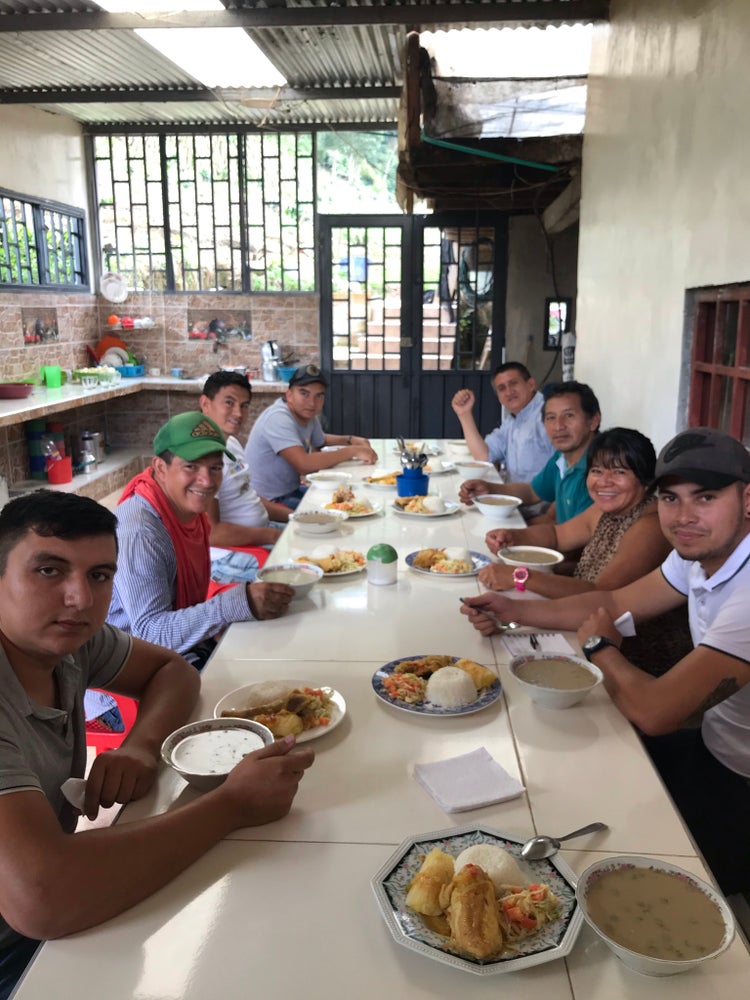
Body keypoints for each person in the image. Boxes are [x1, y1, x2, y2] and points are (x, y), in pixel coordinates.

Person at [0, 491, 313, 999]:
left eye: (100, 575)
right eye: (49, 571)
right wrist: (232, 805)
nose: (80, 598)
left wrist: (141, 746)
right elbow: (42, 897)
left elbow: (173, 670)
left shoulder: (68, 642)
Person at [461, 427, 750, 897]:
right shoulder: (697, 555)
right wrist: (516, 609)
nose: (684, 516)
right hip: (711, 744)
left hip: (738, 779)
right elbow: (614, 601)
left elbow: (655, 713)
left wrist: (601, 649)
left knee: (634, 881)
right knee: (573, 796)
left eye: (706, 497)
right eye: (672, 499)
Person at [108, 412, 294, 669]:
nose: (206, 481)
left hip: (175, 652)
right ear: (161, 468)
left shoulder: (188, 511)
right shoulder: (141, 532)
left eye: (215, 468)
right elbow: (150, 634)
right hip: (128, 675)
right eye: (191, 467)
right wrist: (236, 604)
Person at [477, 428, 671, 598]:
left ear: (646, 480)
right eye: (597, 471)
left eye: (619, 472)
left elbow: (602, 593)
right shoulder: (606, 510)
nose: (604, 481)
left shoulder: (650, 526)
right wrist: (512, 537)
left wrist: (519, 576)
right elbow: (557, 536)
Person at [459, 380, 601, 524]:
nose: (558, 426)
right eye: (551, 418)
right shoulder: (562, 458)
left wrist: (520, 536)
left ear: (593, 420)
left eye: (569, 415)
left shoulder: (600, 471)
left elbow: (574, 536)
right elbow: (532, 491)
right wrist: (489, 488)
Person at [199, 371, 291, 583]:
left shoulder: (230, 443)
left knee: (314, 539)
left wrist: (296, 517)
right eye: (229, 403)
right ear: (205, 403)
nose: (238, 413)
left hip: (258, 533)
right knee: (293, 581)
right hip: (226, 555)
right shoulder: (204, 459)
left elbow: (248, 498)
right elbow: (212, 533)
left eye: (244, 405)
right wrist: (271, 536)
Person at [245, 364, 378, 509]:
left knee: (350, 498)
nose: (312, 402)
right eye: (304, 393)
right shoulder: (278, 418)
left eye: (319, 396)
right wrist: (352, 451)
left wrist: (350, 440)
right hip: (269, 501)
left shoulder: (307, 415)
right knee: (337, 513)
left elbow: (321, 441)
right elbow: (304, 464)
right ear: (289, 395)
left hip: (291, 491)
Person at [450, 361, 554, 481]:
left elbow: (564, 468)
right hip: (517, 495)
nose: (509, 392)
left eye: (513, 383)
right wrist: (464, 414)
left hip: (541, 498)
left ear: (531, 384)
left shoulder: (549, 416)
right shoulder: (512, 421)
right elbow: (483, 456)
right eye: (502, 388)